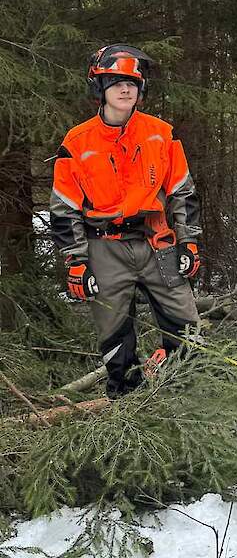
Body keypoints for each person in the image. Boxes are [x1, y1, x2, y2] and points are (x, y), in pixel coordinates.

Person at [50, 44, 203, 398]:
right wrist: (76, 261)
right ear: (99, 87)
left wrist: (189, 241)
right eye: (116, 81)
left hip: (155, 241)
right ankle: (127, 407)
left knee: (187, 327)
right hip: (104, 248)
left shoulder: (161, 134)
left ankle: (186, 397)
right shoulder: (77, 142)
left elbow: (183, 193)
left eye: (132, 82)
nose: (125, 89)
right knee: (115, 336)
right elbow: (63, 208)